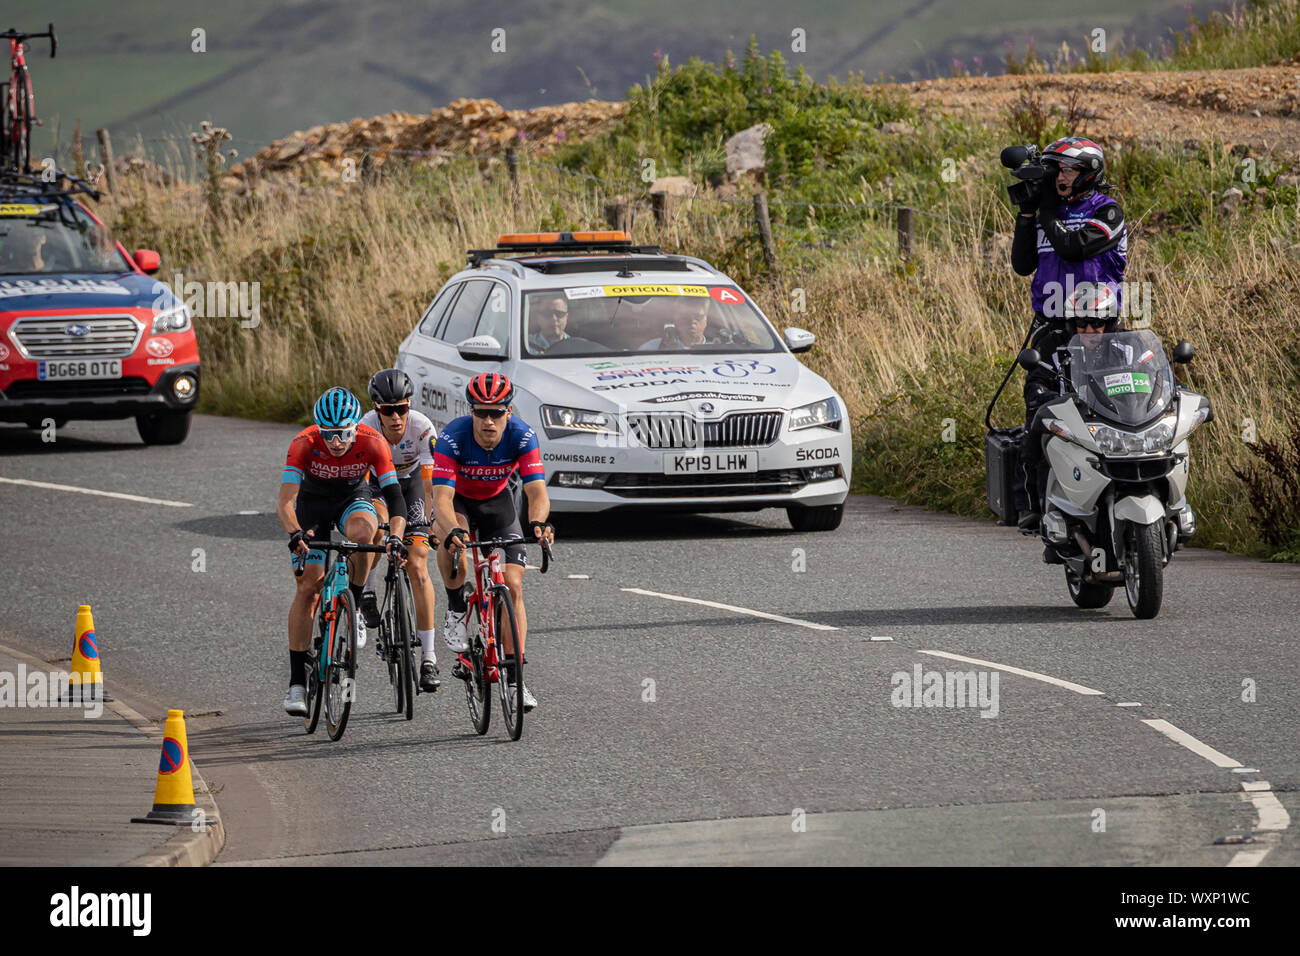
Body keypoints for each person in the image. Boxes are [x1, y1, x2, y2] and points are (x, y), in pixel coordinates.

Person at [1010, 136, 1127, 532]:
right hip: (1053, 329)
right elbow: (1022, 264)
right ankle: (1035, 504)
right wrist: (1027, 214)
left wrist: (1044, 211)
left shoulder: (1107, 212)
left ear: (1088, 173)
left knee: (1116, 410)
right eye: (1055, 169)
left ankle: (1120, 489)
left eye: (1068, 169)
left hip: (1101, 329)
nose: (1059, 177)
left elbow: (1073, 246)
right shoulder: (1046, 212)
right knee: (1042, 412)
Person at [278, 387, 408, 716]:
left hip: (353, 497)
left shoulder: (372, 442)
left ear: (355, 427)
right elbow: (285, 502)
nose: (337, 442)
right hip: (313, 505)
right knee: (308, 587)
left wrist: (395, 536)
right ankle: (296, 682)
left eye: (344, 434)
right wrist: (294, 533)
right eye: (330, 435)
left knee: (366, 534)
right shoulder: (303, 443)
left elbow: (395, 498)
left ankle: (353, 601)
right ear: (319, 430)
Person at [429, 372, 554, 713]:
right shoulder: (452, 437)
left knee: (513, 587)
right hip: (459, 505)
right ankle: (456, 607)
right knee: (453, 543)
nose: (488, 421)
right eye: (480, 412)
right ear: (470, 411)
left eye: (496, 413)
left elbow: (536, 491)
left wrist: (539, 523)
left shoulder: (522, 436)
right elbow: (441, 498)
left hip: (498, 505)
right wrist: (452, 530)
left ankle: (515, 683)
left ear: (508, 412)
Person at [358, 368, 442, 692]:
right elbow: (362, 485)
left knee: (419, 565)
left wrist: (432, 522)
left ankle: (429, 658)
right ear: (377, 410)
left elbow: (429, 482)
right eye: (388, 411)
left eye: (402, 409)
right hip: (377, 487)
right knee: (376, 533)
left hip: (411, 486)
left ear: (410, 406)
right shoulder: (365, 429)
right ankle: (367, 588)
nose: (396, 418)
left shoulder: (422, 428)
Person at [640, 296, 717, 349]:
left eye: (697, 317)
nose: (692, 322)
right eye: (685, 317)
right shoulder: (653, 348)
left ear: (706, 319)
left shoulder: (719, 351)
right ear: (676, 320)